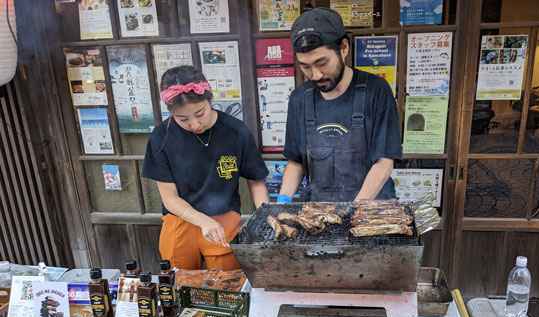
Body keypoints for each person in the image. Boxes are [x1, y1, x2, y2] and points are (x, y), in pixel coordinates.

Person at [142, 65, 269, 271]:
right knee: (180, 285)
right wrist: (202, 221)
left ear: (209, 99)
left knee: (228, 289)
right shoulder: (161, 137)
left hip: (224, 219)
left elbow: (256, 181)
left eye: (200, 113)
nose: (195, 124)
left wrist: (265, 218)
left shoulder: (235, 130)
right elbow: (169, 197)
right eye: (182, 119)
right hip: (180, 220)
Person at [277, 7, 402, 202]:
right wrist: (283, 200)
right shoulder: (299, 98)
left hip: (370, 207)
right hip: (319, 208)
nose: (315, 75)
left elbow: (384, 162)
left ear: (343, 48)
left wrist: (353, 212)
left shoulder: (376, 90)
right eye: (305, 66)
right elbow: (296, 162)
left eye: (322, 62)